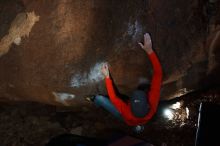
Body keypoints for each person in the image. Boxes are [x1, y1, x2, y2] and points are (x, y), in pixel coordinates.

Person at [87, 33, 162, 133]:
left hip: (124, 117)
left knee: (100, 99)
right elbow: (158, 74)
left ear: (129, 104)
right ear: (147, 105)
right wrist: (150, 51)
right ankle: (138, 127)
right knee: (135, 123)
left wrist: (107, 77)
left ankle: (95, 101)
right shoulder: (152, 105)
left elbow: (114, 99)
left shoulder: (127, 112)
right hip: (132, 119)